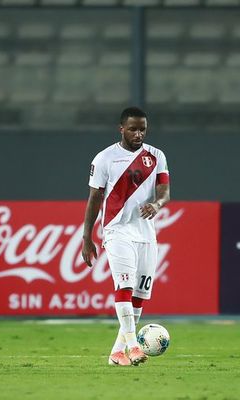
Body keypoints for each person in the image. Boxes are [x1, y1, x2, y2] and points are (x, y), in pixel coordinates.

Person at [82, 107, 170, 366]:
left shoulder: (156, 156)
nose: (138, 133)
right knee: (124, 285)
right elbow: (94, 198)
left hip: (145, 233)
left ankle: (116, 352)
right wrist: (87, 237)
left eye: (142, 129)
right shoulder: (104, 159)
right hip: (116, 230)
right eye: (133, 128)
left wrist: (157, 204)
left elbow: (164, 191)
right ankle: (133, 345)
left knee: (140, 295)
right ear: (121, 128)